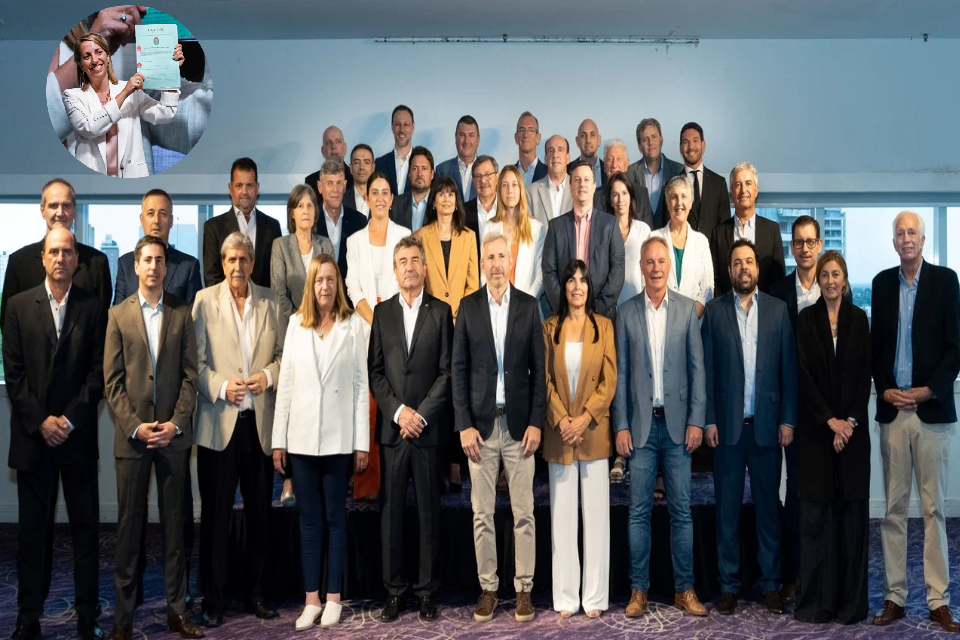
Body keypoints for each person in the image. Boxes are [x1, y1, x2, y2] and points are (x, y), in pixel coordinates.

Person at [0, 179, 112, 612]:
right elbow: (14, 364)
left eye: (68, 252)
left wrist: (68, 419)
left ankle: (87, 617)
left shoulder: (93, 295)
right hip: (33, 436)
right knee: (32, 535)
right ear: (42, 257)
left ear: (76, 258)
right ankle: (28, 618)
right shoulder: (18, 287)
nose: (61, 258)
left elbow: (98, 364)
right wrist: (40, 420)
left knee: (86, 533)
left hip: (77, 433)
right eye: (54, 252)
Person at [103, 236, 202, 640]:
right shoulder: (117, 315)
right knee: (129, 530)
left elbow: (191, 376)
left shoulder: (181, 313)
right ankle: (123, 618)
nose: (153, 267)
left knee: (175, 530)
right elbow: (112, 382)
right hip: (133, 440)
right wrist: (135, 426)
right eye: (147, 260)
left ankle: (177, 611)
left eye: (159, 260)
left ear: (165, 267)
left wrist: (175, 424)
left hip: (172, 439)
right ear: (136, 265)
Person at [870, 211, 960, 633]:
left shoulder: (946, 281)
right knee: (892, 510)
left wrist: (928, 390)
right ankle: (895, 596)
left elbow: (955, 349)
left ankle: (938, 599)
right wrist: (885, 389)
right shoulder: (881, 284)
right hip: (894, 413)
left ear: (923, 241)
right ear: (894, 242)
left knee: (933, 510)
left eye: (913, 233)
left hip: (930, 412)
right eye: (900, 233)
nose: (906, 239)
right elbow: (875, 348)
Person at [271, 254, 370, 631]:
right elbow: (286, 386)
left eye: (330, 279)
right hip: (301, 440)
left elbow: (360, 387)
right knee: (309, 521)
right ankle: (311, 599)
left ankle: (333, 598)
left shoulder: (352, 325)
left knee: (335, 519)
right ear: (310, 286)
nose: (325, 286)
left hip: (339, 440)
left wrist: (361, 443)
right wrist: (279, 440)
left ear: (338, 284)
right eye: (319, 280)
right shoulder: (296, 324)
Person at [192, 232, 286, 627]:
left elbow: (284, 356)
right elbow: (194, 364)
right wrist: (219, 386)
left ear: (252, 262)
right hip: (218, 425)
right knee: (215, 517)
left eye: (243, 259)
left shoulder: (271, 302)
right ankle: (213, 600)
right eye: (231, 259)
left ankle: (258, 594)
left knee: (260, 516)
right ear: (222, 262)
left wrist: (268, 376)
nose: (237, 266)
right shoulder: (204, 301)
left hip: (258, 427)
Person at [701, 238, 797, 616]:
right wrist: (708, 419)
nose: (744, 267)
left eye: (749, 261)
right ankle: (729, 584)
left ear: (757, 268)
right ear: (729, 270)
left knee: (768, 510)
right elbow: (707, 372)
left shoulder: (777, 311)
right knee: (726, 510)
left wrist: (787, 419)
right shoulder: (714, 312)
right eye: (737, 262)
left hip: (767, 428)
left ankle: (771, 583)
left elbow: (788, 370)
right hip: (726, 430)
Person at [453, 231, 545, 623]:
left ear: (511, 261)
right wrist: (463, 425)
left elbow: (540, 372)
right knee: (482, 514)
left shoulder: (528, 306)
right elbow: (458, 370)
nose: (495, 264)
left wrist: (537, 422)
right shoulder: (468, 307)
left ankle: (523, 590)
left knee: (524, 513)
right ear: (482, 264)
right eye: (489, 257)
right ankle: (488, 588)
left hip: (520, 427)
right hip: (480, 428)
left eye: (501, 257)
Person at [614, 236, 708, 620]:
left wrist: (697, 420)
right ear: (641, 267)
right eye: (649, 262)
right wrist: (620, 425)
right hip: (639, 429)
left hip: (678, 429)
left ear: (669, 267)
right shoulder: (625, 312)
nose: (655, 268)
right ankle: (639, 590)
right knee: (637, 512)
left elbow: (697, 369)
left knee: (681, 513)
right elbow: (620, 375)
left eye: (661, 261)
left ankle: (685, 589)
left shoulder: (686, 310)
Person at [369, 235, 453, 623]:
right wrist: (400, 413)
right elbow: (376, 372)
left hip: (428, 431)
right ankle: (395, 591)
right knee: (392, 515)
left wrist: (420, 415)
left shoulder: (441, 312)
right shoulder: (382, 313)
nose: (410, 267)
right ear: (394, 269)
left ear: (425, 266)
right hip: (394, 432)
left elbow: (447, 372)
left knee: (428, 515)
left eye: (415, 260)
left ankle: (426, 592)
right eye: (403, 261)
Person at [793, 251, 872, 624]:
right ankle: (817, 604)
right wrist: (830, 422)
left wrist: (849, 423)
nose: (829, 280)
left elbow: (864, 374)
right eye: (824, 274)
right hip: (817, 435)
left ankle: (850, 605)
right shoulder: (805, 320)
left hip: (852, 437)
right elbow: (804, 376)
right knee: (817, 520)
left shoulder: (860, 320)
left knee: (852, 520)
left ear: (845, 279)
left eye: (835, 274)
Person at [542, 259, 616, 619]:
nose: (576, 286)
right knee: (563, 519)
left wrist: (584, 419)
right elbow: (544, 381)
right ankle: (567, 597)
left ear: (590, 287)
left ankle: (595, 596)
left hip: (593, 432)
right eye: (570, 280)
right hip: (560, 434)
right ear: (563, 288)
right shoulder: (548, 327)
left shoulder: (604, 326)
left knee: (597, 518)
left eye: (582, 280)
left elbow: (609, 381)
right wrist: (563, 421)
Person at [768, 214, 828, 600]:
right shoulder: (777, 293)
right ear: (791, 248)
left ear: (819, 245)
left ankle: (821, 574)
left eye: (811, 241)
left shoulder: (833, 288)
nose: (805, 248)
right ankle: (791, 574)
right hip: (789, 410)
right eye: (799, 242)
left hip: (825, 412)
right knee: (791, 495)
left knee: (821, 492)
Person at [346, 172, 412, 500]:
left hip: (398, 332)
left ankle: (395, 483)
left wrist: (388, 325)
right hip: (364, 330)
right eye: (375, 192)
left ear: (392, 198)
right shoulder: (354, 241)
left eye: (386, 192)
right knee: (368, 407)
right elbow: (352, 288)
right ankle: (367, 482)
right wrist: (376, 322)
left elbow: (409, 281)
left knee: (396, 403)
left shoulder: (404, 235)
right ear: (366, 198)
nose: (381, 198)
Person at [62, 33, 184, 177]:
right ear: (81, 66)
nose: (94, 60)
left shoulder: (131, 91)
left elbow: (165, 113)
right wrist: (125, 92)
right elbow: (90, 128)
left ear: (108, 56)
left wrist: (171, 72)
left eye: (99, 52)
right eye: (87, 56)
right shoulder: (72, 96)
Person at [1, 179, 112, 334]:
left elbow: (102, 326)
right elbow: (8, 325)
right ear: (42, 211)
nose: (60, 213)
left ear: (74, 210)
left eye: (66, 205)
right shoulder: (19, 263)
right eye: (53, 206)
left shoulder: (97, 263)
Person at [543, 160, 625, 318]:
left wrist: (597, 309)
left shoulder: (610, 225)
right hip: (566, 317)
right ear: (570, 186)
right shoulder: (555, 227)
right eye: (577, 180)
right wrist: (565, 309)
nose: (582, 185)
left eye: (587, 180)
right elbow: (548, 271)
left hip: (601, 316)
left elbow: (618, 269)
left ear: (594, 186)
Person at [202, 157, 283, 288]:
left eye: (249, 185)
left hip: (264, 300)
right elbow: (212, 279)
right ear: (230, 188)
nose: (244, 192)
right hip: (225, 301)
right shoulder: (213, 228)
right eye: (239, 186)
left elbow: (277, 277)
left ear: (257, 188)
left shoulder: (272, 227)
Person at [114, 189, 203, 306]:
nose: (156, 221)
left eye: (163, 214)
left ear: (171, 221)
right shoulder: (125, 264)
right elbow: (119, 312)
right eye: (151, 214)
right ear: (141, 219)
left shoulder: (188, 266)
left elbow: (194, 314)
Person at [711, 162, 785, 295]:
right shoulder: (718, 233)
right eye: (738, 184)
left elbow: (778, 281)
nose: (743, 190)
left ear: (756, 190)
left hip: (763, 306)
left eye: (748, 183)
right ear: (732, 192)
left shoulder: (772, 231)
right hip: (727, 306)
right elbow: (714, 279)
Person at [415, 176, 479, 322]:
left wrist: (460, 316)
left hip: (461, 319)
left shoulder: (469, 237)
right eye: (441, 194)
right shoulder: (420, 237)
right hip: (429, 319)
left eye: (451, 194)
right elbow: (418, 283)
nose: (446, 199)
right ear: (433, 202)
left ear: (456, 202)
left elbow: (473, 284)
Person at [650, 175, 714, 316]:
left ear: (690, 203)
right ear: (668, 204)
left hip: (694, 321)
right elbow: (646, 281)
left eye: (684, 196)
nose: (679, 203)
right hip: (659, 318)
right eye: (674, 197)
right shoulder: (653, 238)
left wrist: (690, 318)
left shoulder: (701, 242)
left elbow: (707, 288)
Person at [270, 184, 335, 319]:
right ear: (292, 214)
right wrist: (299, 321)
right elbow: (279, 293)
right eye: (300, 206)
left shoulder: (326, 245)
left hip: (323, 321)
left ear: (315, 212)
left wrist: (319, 320)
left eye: (310, 206)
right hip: (291, 324)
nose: (306, 211)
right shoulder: (280, 246)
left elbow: (332, 286)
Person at [483, 165, 546, 300]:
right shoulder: (489, 227)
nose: (510, 190)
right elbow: (484, 271)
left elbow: (540, 275)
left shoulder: (536, 228)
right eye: (505, 185)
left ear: (521, 189)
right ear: (499, 191)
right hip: (495, 303)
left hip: (526, 304)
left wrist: (526, 303)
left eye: (514, 184)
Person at [313, 159, 368, 282]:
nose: (335, 189)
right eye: (330, 183)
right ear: (320, 187)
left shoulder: (360, 221)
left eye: (339, 183)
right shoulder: (311, 221)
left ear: (345, 186)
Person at [627, 118, 685, 228]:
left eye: (654, 137)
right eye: (645, 139)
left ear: (661, 139)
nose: (651, 143)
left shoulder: (678, 171)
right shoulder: (629, 173)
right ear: (639, 145)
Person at [679, 122, 731, 241]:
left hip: (712, 252)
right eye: (686, 142)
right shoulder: (671, 185)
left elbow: (725, 228)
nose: (691, 147)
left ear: (703, 145)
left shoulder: (719, 183)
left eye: (695, 141)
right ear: (680, 148)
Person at [607, 172, 651, 306]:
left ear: (630, 196)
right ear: (610, 200)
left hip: (638, 303)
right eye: (615, 195)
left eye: (624, 193)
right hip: (610, 305)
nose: (620, 199)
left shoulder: (643, 230)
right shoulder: (604, 231)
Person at [594, 140, 654, 228]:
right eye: (610, 159)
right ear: (604, 165)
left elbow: (648, 231)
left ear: (627, 164)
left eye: (619, 159)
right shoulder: (595, 196)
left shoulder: (641, 194)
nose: (614, 165)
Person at [528, 134, 573, 227]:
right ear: (545, 159)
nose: (555, 155)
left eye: (560, 150)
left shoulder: (578, 188)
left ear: (568, 158)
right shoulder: (530, 192)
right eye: (551, 150)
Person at [304, 125, 354, 206]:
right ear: (322, 151)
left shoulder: (354, 179)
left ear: (345, 148)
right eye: (328, 143)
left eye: (338, 141)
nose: (333, 147)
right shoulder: (311, 182)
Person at [389, 146, 434, 233]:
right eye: (415, 168)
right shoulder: (395, 205)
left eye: (424, 168)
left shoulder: (439, 205)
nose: (419, 174)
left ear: (432, 174)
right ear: (409, 174)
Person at [435, 115, 480, 201]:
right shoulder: (442, 170)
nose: (466, 141)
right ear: (455, 137)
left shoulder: (487, 172)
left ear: (478, 139)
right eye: (462, 135)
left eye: (471, 135)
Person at [375, 104, 415, 195]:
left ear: (413, 127)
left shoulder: (423, 163)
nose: (402, 130)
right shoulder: (380, 164)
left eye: (406, 125)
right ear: (392, 127)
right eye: (397, 125)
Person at [463, 154, 500, 254]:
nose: (483, 181)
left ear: (497, 177)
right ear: (473, 181)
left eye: (487, 175)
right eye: (478, 176)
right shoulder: (463, 212)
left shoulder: (508, 209)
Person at [567, 119, 605, 187]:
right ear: (577, 141)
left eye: (592, 135)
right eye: (583, 136)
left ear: (599, 140)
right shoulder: (567, 171)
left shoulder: (608, 170)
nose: (588, 140)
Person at [514, 111, 547, 185]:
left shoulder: (548, 173)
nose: (526, 135)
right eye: (522, 130)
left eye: (531, 130)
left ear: (538, 138)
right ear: (516, 137)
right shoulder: (508, 174)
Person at [344, 143, 375, 216]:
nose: (362, 167)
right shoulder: (341, 200)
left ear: (373, 168)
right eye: (357, 163)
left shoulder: (383, 199)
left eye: (366, 162)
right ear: (351, 168)